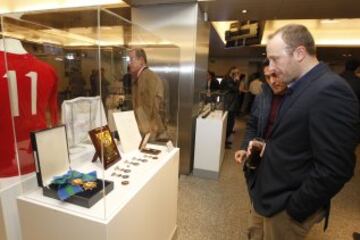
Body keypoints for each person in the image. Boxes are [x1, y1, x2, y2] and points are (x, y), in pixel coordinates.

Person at [235, 24, 359, 240]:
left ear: (300, 53)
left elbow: (336, 168)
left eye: (275, 59)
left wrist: (294, 210)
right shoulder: (300, 86)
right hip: (267, 194)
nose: (271, 67)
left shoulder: (330, 90)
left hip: (285, 206)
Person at [128, 48, 168, 140]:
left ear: (141, 60)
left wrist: (143, 133)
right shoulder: (143, 76)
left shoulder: (147, 77)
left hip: (149, 130)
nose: (129, 63)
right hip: (149, 128)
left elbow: (147, 107)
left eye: (131, 59)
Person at [220, 66, 240, 149]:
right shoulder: (228, 79)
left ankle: (225, 141)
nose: (237, 74)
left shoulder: (230, 79)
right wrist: (237, 81)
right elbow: (235, 89)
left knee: (230, 124)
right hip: (229, 105)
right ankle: (223, 142)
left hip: (231, 104)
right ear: (231, 72)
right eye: (236, 73)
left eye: (238, 73)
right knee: (228, 124)